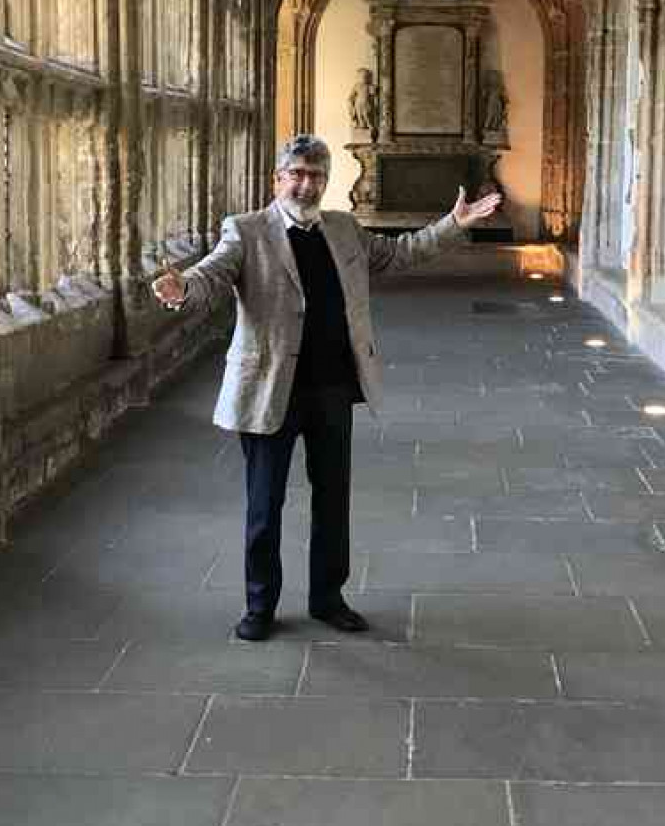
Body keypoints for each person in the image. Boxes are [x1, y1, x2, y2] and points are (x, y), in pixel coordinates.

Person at [152, 133, 502, 641]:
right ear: (278, 179)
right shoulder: (246, 231)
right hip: (271, 387)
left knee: (333, 499)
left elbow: (399, 255)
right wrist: (181, 288)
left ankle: (327, 598)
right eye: (295, 173)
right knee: (264, 505)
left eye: (315, 175)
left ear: (325, 181)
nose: (305, 183)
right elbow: (213, 273)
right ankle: (259, 607)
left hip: (333, 387)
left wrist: (454, 224)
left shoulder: (343, 228)